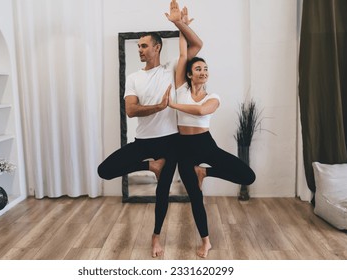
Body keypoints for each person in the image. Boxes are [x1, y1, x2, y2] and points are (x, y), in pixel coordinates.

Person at [97, 0, 202, 258]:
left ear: (157, 47)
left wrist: (178, 23)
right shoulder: (134, 77)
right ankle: (150, 166)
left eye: (144, 45)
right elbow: (130, 110)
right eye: (138, 46)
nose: (140, 50)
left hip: (170, 142)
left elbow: (196, 45)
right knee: (105, 169)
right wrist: (158, 107)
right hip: (143, 140)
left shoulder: (171, 72)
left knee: (162, 192)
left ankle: (156, 237)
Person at [167, 21, 256, 258]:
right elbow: (184, 52)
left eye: (206, 69)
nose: (203, 72)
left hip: (206, 146)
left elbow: (201, 111)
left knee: (247, 176)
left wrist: (173, 105)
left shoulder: (213, 96)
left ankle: (204, 172)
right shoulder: (180, 88)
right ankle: (205, 241)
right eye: (198, 69)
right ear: (188, 74)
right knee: (195, 198)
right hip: (183, 148)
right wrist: (180, 24)